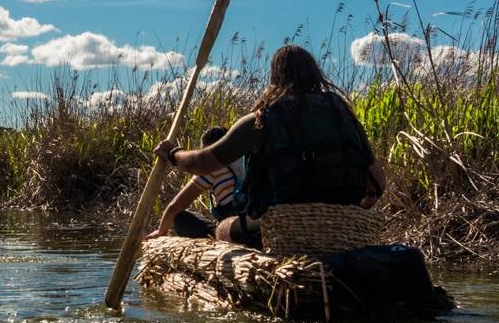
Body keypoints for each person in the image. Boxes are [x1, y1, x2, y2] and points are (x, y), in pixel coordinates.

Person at [154, 45, 386, 247]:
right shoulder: (341, 111)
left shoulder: (261, 120)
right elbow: (378, 179)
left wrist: (173, 153)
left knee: (223, 228)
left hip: (285, 223)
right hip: (342, 220)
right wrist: (352, 212)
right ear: (315, 74)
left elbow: (202, 162)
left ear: (275, 78)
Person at [146, 126, 245, 240]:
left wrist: (161, 231)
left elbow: (175, 206)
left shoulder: (211, 167)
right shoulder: (243, 159)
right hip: (250, 225)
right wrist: (171, 155)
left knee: (180, 217)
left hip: (232, 233)